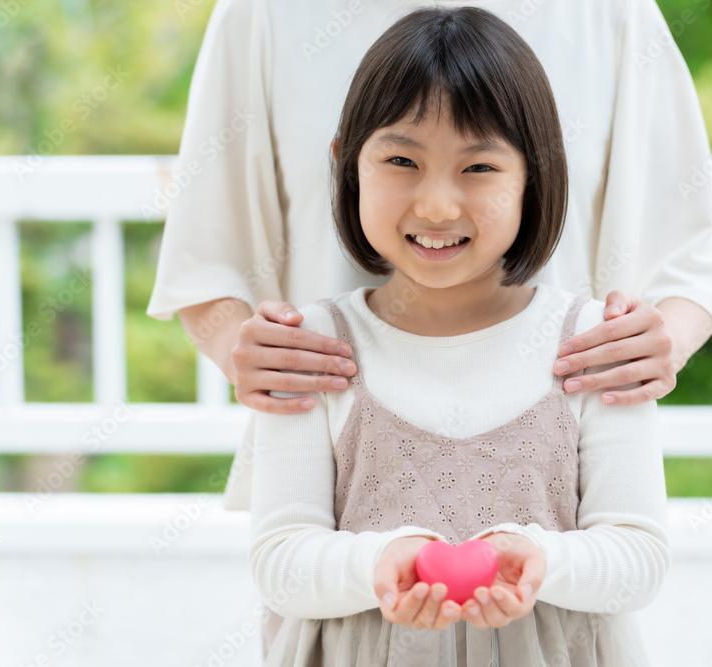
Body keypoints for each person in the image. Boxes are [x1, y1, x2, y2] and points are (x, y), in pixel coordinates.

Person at [248, 6, 670, 666]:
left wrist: (539, 557)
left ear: (535, 175)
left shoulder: (596, 346)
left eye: (478, 168)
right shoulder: (313, 350)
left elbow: (639, 555)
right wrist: (379, 561)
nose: (438, 204)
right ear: (347, 163)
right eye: (400, 159)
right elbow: (279, 560)